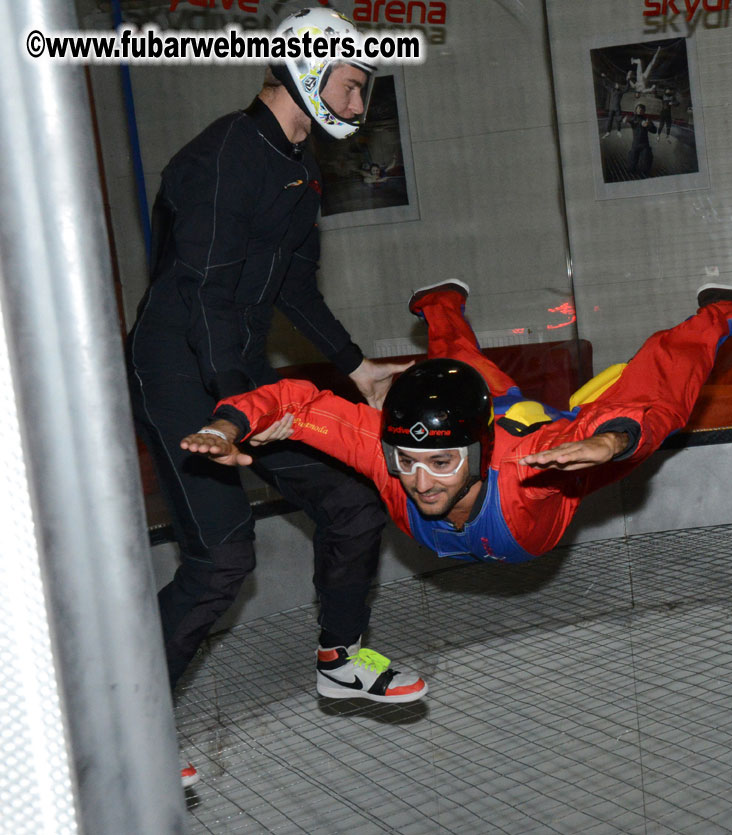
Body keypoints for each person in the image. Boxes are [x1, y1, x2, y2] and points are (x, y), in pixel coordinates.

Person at [126, 7, 423, 786]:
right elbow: (201, 300)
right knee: (221, 560)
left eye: (363, 91)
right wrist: (233, 415)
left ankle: (340, 656)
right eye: (350, 86)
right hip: (182, 367)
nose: (358, 105)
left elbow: (295, 283)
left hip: (241, 372)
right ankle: (134, 732)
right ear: (301, 71)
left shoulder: (300, 168)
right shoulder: (225, 154)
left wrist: (354, 368)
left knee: (355, 503)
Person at [180, 279, 732, 590]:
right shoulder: (389, 457)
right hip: (495, 413)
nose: (419, 482)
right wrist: (230, 423)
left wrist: (615, 440)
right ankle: (441, 303)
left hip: (556, 446)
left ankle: (719, 311)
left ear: (479, 450)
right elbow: (299, 402)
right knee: (460, 375)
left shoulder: (527, 470)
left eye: (439, 465)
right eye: (407, 460)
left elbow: (648, 402)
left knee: (650, 392)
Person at [626, 103, 658, 177]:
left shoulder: (647, 120)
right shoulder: (633, 118)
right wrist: (640, 122)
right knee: (630, 168)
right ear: (636, 110)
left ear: (644, 111)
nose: (640, 111)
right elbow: (630, 119)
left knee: (646, 165)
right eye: (638, 109)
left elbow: (654, 130)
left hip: (644, 145)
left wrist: (648, 125)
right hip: (635, 144)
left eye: (641, 110)